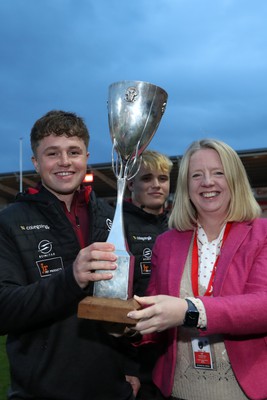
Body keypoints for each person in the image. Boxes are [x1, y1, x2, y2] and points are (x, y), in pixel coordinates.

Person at [0, 110, 139, 400]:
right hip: (41, 391)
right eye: (52, 153)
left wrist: (132, 365)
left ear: (86, 157)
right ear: (36, 163)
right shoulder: (10, 221)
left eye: (73, 151)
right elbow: (4, 310)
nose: (64, 161)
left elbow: (128, 298)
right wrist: (71, 278)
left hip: (112, 389)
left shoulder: (110, 216)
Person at [127, 139, 267, 400]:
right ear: (186, 186)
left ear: (234, 179)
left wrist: (189, 311)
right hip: (178, 391)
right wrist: (128, 327)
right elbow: (153, 317)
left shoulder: (262, 234)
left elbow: (261, 306)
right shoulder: (167, 243)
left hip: (246, 392)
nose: (207, 182)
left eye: (218, 173)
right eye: (196, 175)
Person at [123, 150, 173, 399]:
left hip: (176, 347)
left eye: (163, 178)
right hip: (137, 355)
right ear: (131, 183)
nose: (156, 185)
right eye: (147, 178)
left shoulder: (180, 224)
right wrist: (125, 366)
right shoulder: (117, 226)